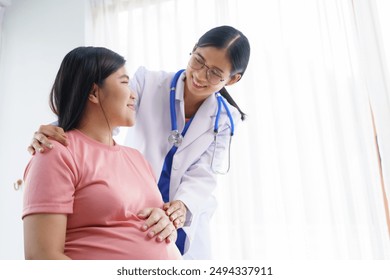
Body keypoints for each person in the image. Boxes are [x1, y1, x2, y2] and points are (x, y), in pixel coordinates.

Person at [28, 25, 250, 259]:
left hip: (173, 212)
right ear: (193, 50)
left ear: (232, 79)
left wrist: (182, 206)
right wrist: (59, 127)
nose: (200, 75)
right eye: (198, 60)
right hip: (126, 197)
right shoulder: (148, 82)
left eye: (215, 73)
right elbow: (103, 109)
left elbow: (203, 173)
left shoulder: (225, 119)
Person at [22, 46, 182, 260]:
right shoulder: (55, 153)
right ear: (94, 92)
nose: (134, 94)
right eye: (125, 82)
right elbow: (42, 257)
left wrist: (165, 223)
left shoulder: (136, 158)